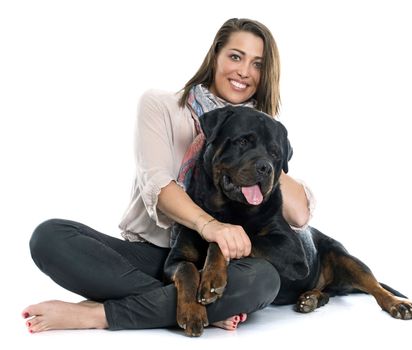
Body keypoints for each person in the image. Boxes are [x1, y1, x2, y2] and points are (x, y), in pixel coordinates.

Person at [22, 18, 315, 333]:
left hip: (219, 264)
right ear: (215, 55)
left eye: (257, 64)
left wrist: (259, 148)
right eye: (235, 56)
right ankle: (198, 305)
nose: (244, 71)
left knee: (263, 281)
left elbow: (298, 215)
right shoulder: (161, 106)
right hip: (155, 253)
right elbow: (159, 186)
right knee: (49, 237)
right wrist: (212, 227)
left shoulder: (265, 130)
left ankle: (99, 315)